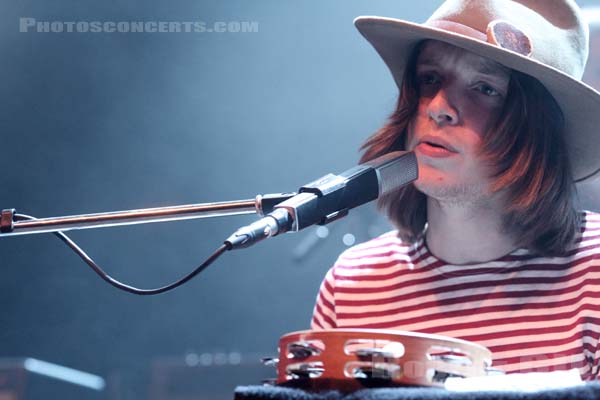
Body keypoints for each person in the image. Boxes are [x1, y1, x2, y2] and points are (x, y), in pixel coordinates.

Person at [311, 0, 600, 379]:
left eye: (484, 87)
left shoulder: (593, 273)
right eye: (430, 78)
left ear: (537, 129)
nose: (439, 107)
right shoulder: (352, 284)